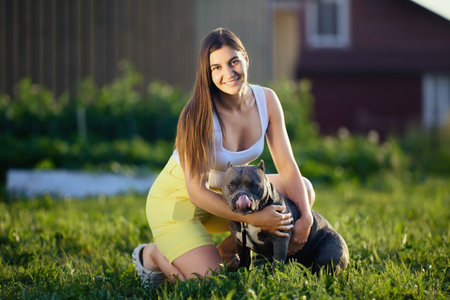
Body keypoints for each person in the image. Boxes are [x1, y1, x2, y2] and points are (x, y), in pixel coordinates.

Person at [132, 27, 315, 286]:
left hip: (230, 197)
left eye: (233, 62)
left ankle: (228, 251)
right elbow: (196, 192)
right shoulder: (196, 114)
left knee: (303, 191)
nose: (227, 73)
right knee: (208, 283)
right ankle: (151, 254)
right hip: (178, 202)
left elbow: (286, 166)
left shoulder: (267, 100)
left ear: (246, 60)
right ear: (207, 74)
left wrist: (306, 218)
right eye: (216, 68)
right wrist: (255, 218)